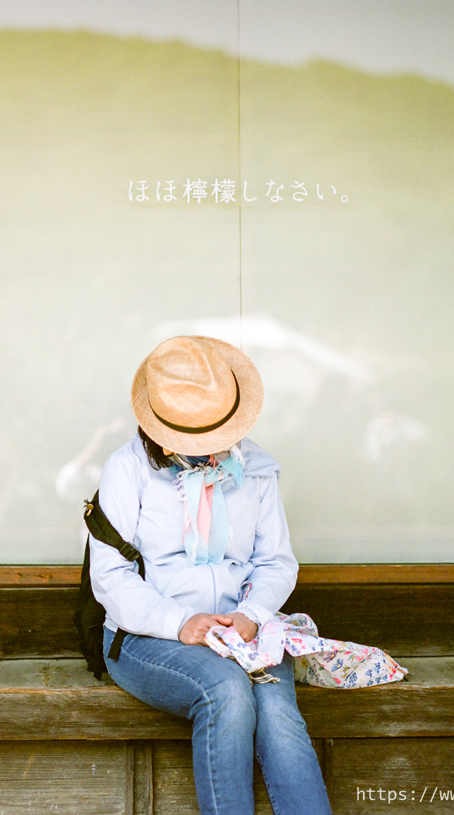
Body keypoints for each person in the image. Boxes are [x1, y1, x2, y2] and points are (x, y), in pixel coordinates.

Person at [90, 335, 332, 815]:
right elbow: (110, 575)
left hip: (243, 632)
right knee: (226, 692)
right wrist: (180, 622)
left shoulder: (258, 469)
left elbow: (276, 561)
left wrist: (252, 614)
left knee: (279, 711)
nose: (208, 449)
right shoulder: (126, 470)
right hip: (147, 636)